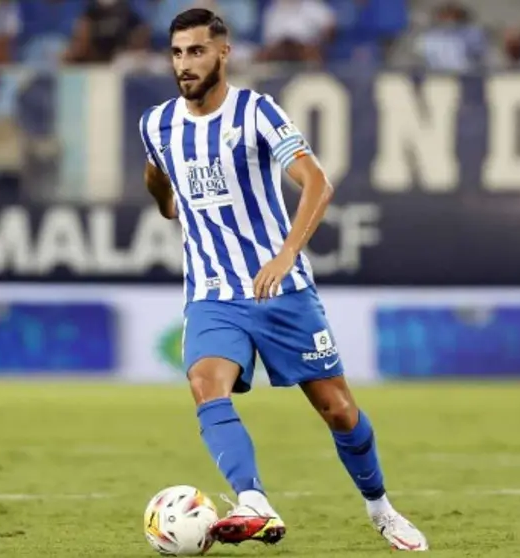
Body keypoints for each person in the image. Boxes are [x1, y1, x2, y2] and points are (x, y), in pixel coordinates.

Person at [137, 7, 429, 552]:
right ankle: (253, 502)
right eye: (177, 52)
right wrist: (167, 203)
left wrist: (284, 254)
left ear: (223, 52)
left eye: (196, 51)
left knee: (338, 410)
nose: (184, 64)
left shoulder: (256, 113)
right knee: (205, 382)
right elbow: (156, 171)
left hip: (281, 289)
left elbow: (317, 183)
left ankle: (381, 509)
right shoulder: (157, 123)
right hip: (212, 293)